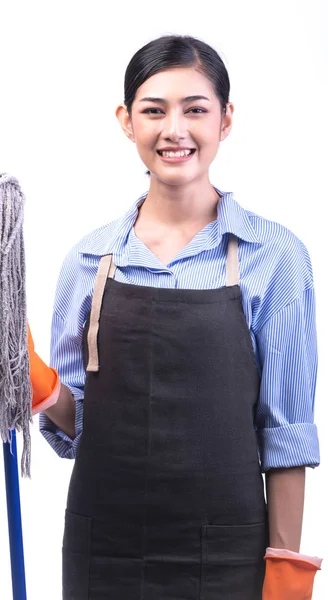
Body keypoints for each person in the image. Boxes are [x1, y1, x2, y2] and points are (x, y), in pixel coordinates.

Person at [29, 34, 322, 599]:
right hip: (103, 551)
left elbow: (286, 432)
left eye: (195, 110)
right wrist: (35, 382)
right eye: (154, 110)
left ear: (225, 119)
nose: (175, 130)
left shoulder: (275, 257)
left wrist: (287, 573)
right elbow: (81, 430)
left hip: (228, 553)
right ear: (126, 119)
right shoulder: (89, 262)